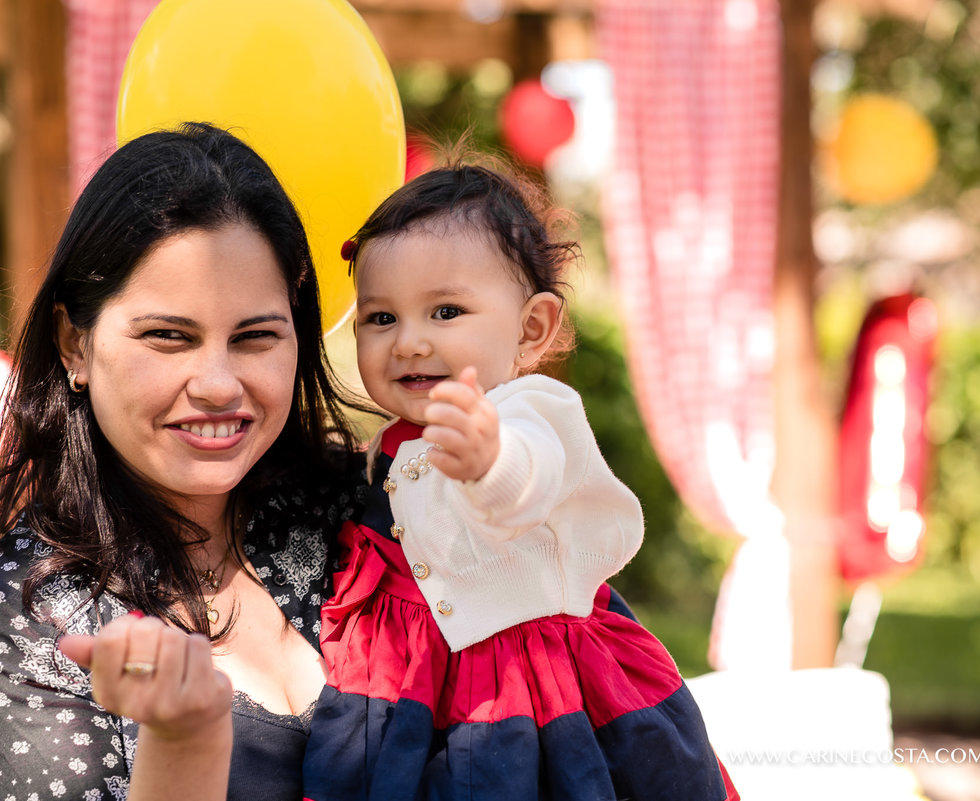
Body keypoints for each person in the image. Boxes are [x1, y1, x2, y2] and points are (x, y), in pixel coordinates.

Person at [0, 122, 369, 801]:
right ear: (73, 344)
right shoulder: (21, 613)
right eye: (169, 336)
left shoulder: (368, 512)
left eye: (256, 336)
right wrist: (183, 741)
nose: (219, 384)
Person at [302, 160, 740, 801]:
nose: (409, 343)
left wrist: (489, 463)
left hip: (527, 688)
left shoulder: (529, 413)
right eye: (381, 318)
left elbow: (530, 479)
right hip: (405, 686)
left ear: (531, 328)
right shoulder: (390, 444)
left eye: (445, 311)